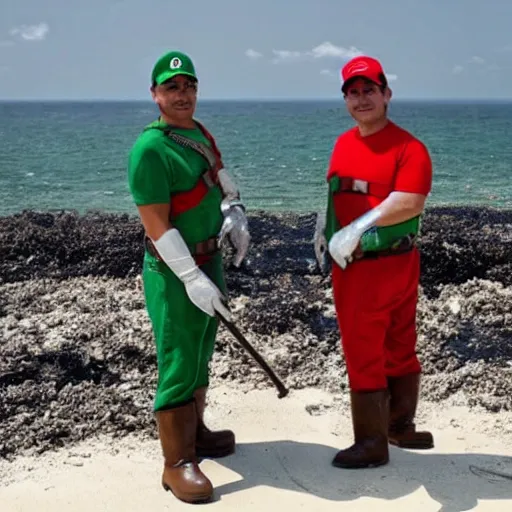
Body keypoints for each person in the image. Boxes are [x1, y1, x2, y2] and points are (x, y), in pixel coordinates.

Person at [127, 50, 250, 503]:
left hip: (208, 258)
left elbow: (218, 174)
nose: (183, 95)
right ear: (155, 94)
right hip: (174, 268)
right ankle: (176, 462)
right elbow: (156, 224)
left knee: (202, 346)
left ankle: (195, 432)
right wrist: (191, 278)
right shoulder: (150, 149)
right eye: (172, 87)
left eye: (189, 86)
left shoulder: (198, 132)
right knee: (178, 356)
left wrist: (234, 212)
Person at [314, 55, 434, 469]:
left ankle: (384, 435)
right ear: (346, 99)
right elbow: (335, 191)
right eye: (354, 92)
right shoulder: (344, 143)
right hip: (355, 267)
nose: (362, 99)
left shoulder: (409, 147)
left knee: (398, 343)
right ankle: (380, 432)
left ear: (387, 94)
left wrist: (358, 226)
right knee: (363, 347)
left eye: (370, 90)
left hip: (397, 262)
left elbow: (410, 200)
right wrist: (324, 230)